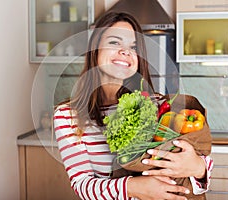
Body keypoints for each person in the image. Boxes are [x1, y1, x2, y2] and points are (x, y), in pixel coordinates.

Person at [54, 12, 213, 200]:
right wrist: (135, 187)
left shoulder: (161, 105)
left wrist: (198, 167)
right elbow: (82, 185)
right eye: (114, 42)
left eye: (133, 47)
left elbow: (202, 167)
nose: (126, 51)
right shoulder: (68, 116)